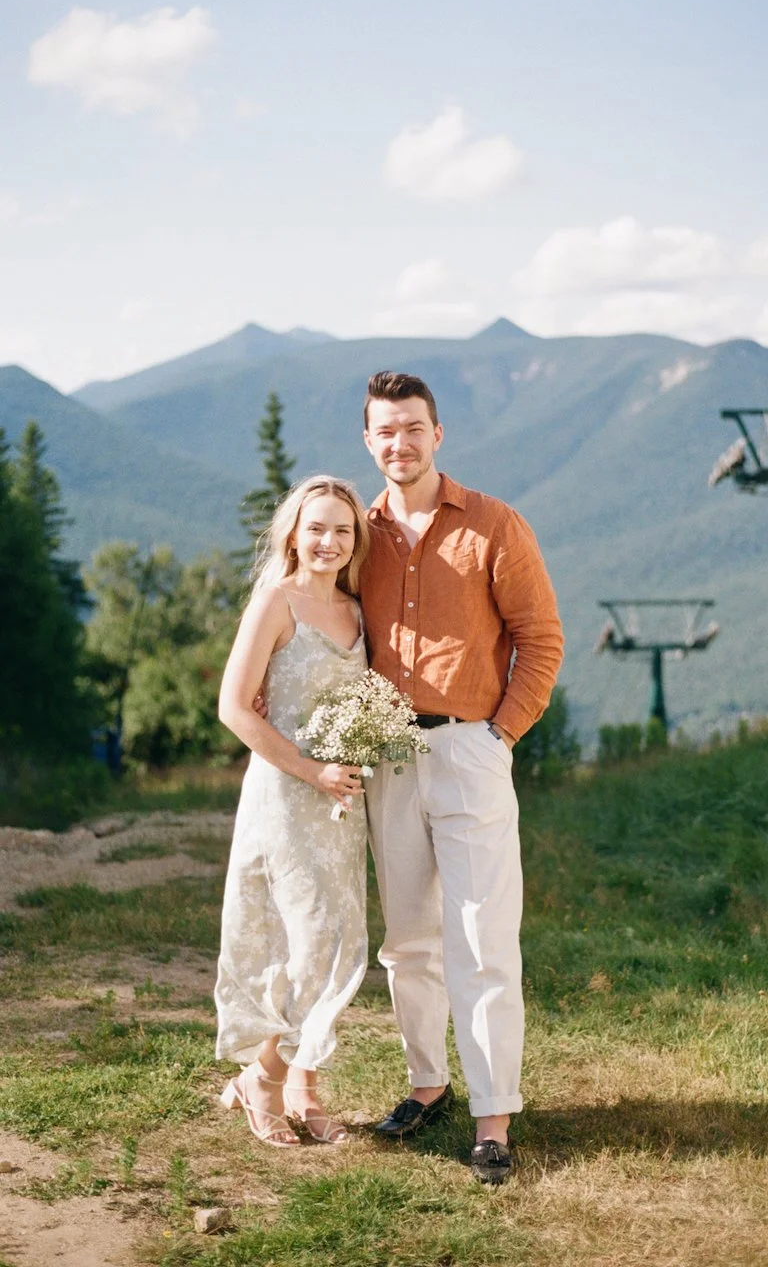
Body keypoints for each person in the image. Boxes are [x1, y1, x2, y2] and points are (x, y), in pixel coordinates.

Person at [359, 371, 564, 1184]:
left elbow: (540, 639)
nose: (399, 443)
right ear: (367, 441)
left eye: (412, 428)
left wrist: (498, 736)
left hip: (468, 749)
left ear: (436, 435)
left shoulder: (492, 525)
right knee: (407, 940)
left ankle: (492, 1119)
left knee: (481, 939)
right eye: (385, 431)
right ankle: (426, 1084)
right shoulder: (356, 533)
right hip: (385, 758)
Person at [215, 475, 370, 1147]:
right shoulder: (277, 602)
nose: (328, 541)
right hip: (286, 793)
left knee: (341, 945)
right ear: (293, 534)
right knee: (306, 947)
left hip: (342, 805)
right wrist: (310, 770)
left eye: (342, 530)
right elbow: (232, 707)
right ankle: (264, 1078)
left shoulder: (359, 611)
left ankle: (303, 1085)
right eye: (316, 528)